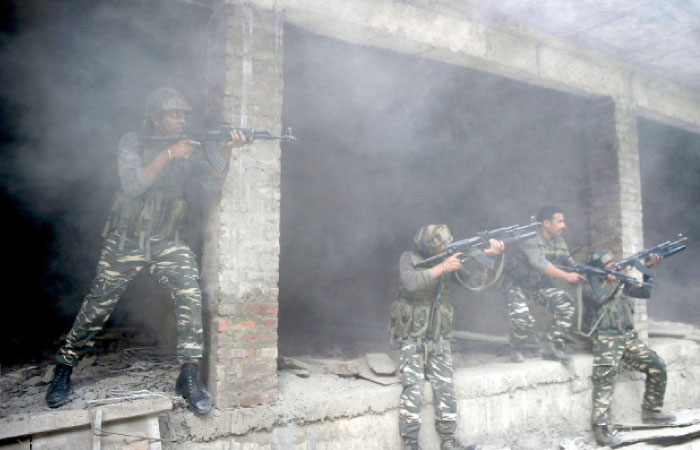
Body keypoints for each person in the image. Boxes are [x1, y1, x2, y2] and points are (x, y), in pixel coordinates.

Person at [45, 87, 248, 414]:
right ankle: (64, 367)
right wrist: (169, 154)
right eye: (174, 114)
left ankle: (188, 375)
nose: (181, 119)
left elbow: (210, 187)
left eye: (184, 115)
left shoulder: (189, 151)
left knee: (190, 293)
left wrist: (225, 152)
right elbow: (133, 185)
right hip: (126, 240)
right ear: (154, 118)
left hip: (166, 241)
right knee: (98, 304)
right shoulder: (133, 143)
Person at [390, 224, 505, 450]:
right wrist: (443, 267)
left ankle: (449, 441)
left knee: (445, 388)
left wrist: (486, 259)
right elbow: (410, 283)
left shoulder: (450, 259)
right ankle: (411, 444)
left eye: (445, 244)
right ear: (427, 248)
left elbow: (473, 284)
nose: (444, 248)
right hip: (412, 337)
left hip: (438, 337)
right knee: (412, 388)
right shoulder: (409, 257)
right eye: (439, 247)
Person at [583, 249, 675, 446]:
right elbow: (599, 299)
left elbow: (645, 291)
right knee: (605, 379)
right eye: (609, 266)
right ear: (599, 270)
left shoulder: (622, 281)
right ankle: (602, 429)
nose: (615, 267)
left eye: (614, 264)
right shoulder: (591, 286)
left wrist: (647, 270)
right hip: (607, 338)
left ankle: (652, 411)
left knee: (657, 366)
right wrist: (612, 281)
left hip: (628, 337)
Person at [501, 205, 585, 364]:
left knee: (565, 303)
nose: (564, 225)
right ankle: (516, 348)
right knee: (521, 317)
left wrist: (601, 272)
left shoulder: (559, 242)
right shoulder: (529, 238)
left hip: (538, 286)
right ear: (547, 223)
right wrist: (567, 276)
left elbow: (572, 265)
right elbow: (539, 263)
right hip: (516, 285)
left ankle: (553, 347)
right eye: (560, 221)